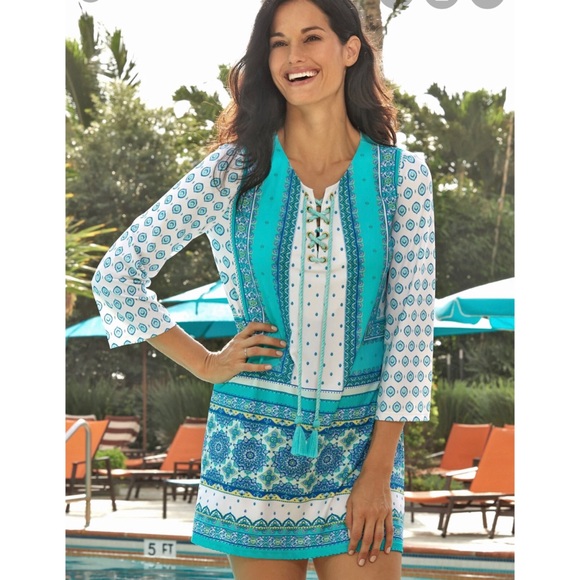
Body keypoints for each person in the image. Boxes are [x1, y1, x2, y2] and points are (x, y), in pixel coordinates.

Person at [92, 0, 435, 578]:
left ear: (350, 49)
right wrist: (205, 364)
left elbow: (411, 335)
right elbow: (117, 276)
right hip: (251, 449)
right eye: (278, 43)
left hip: (360, 450)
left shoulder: (402, 178)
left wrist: (379, 472)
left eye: (311, 37)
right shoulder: (232, 170)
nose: (294, 56)